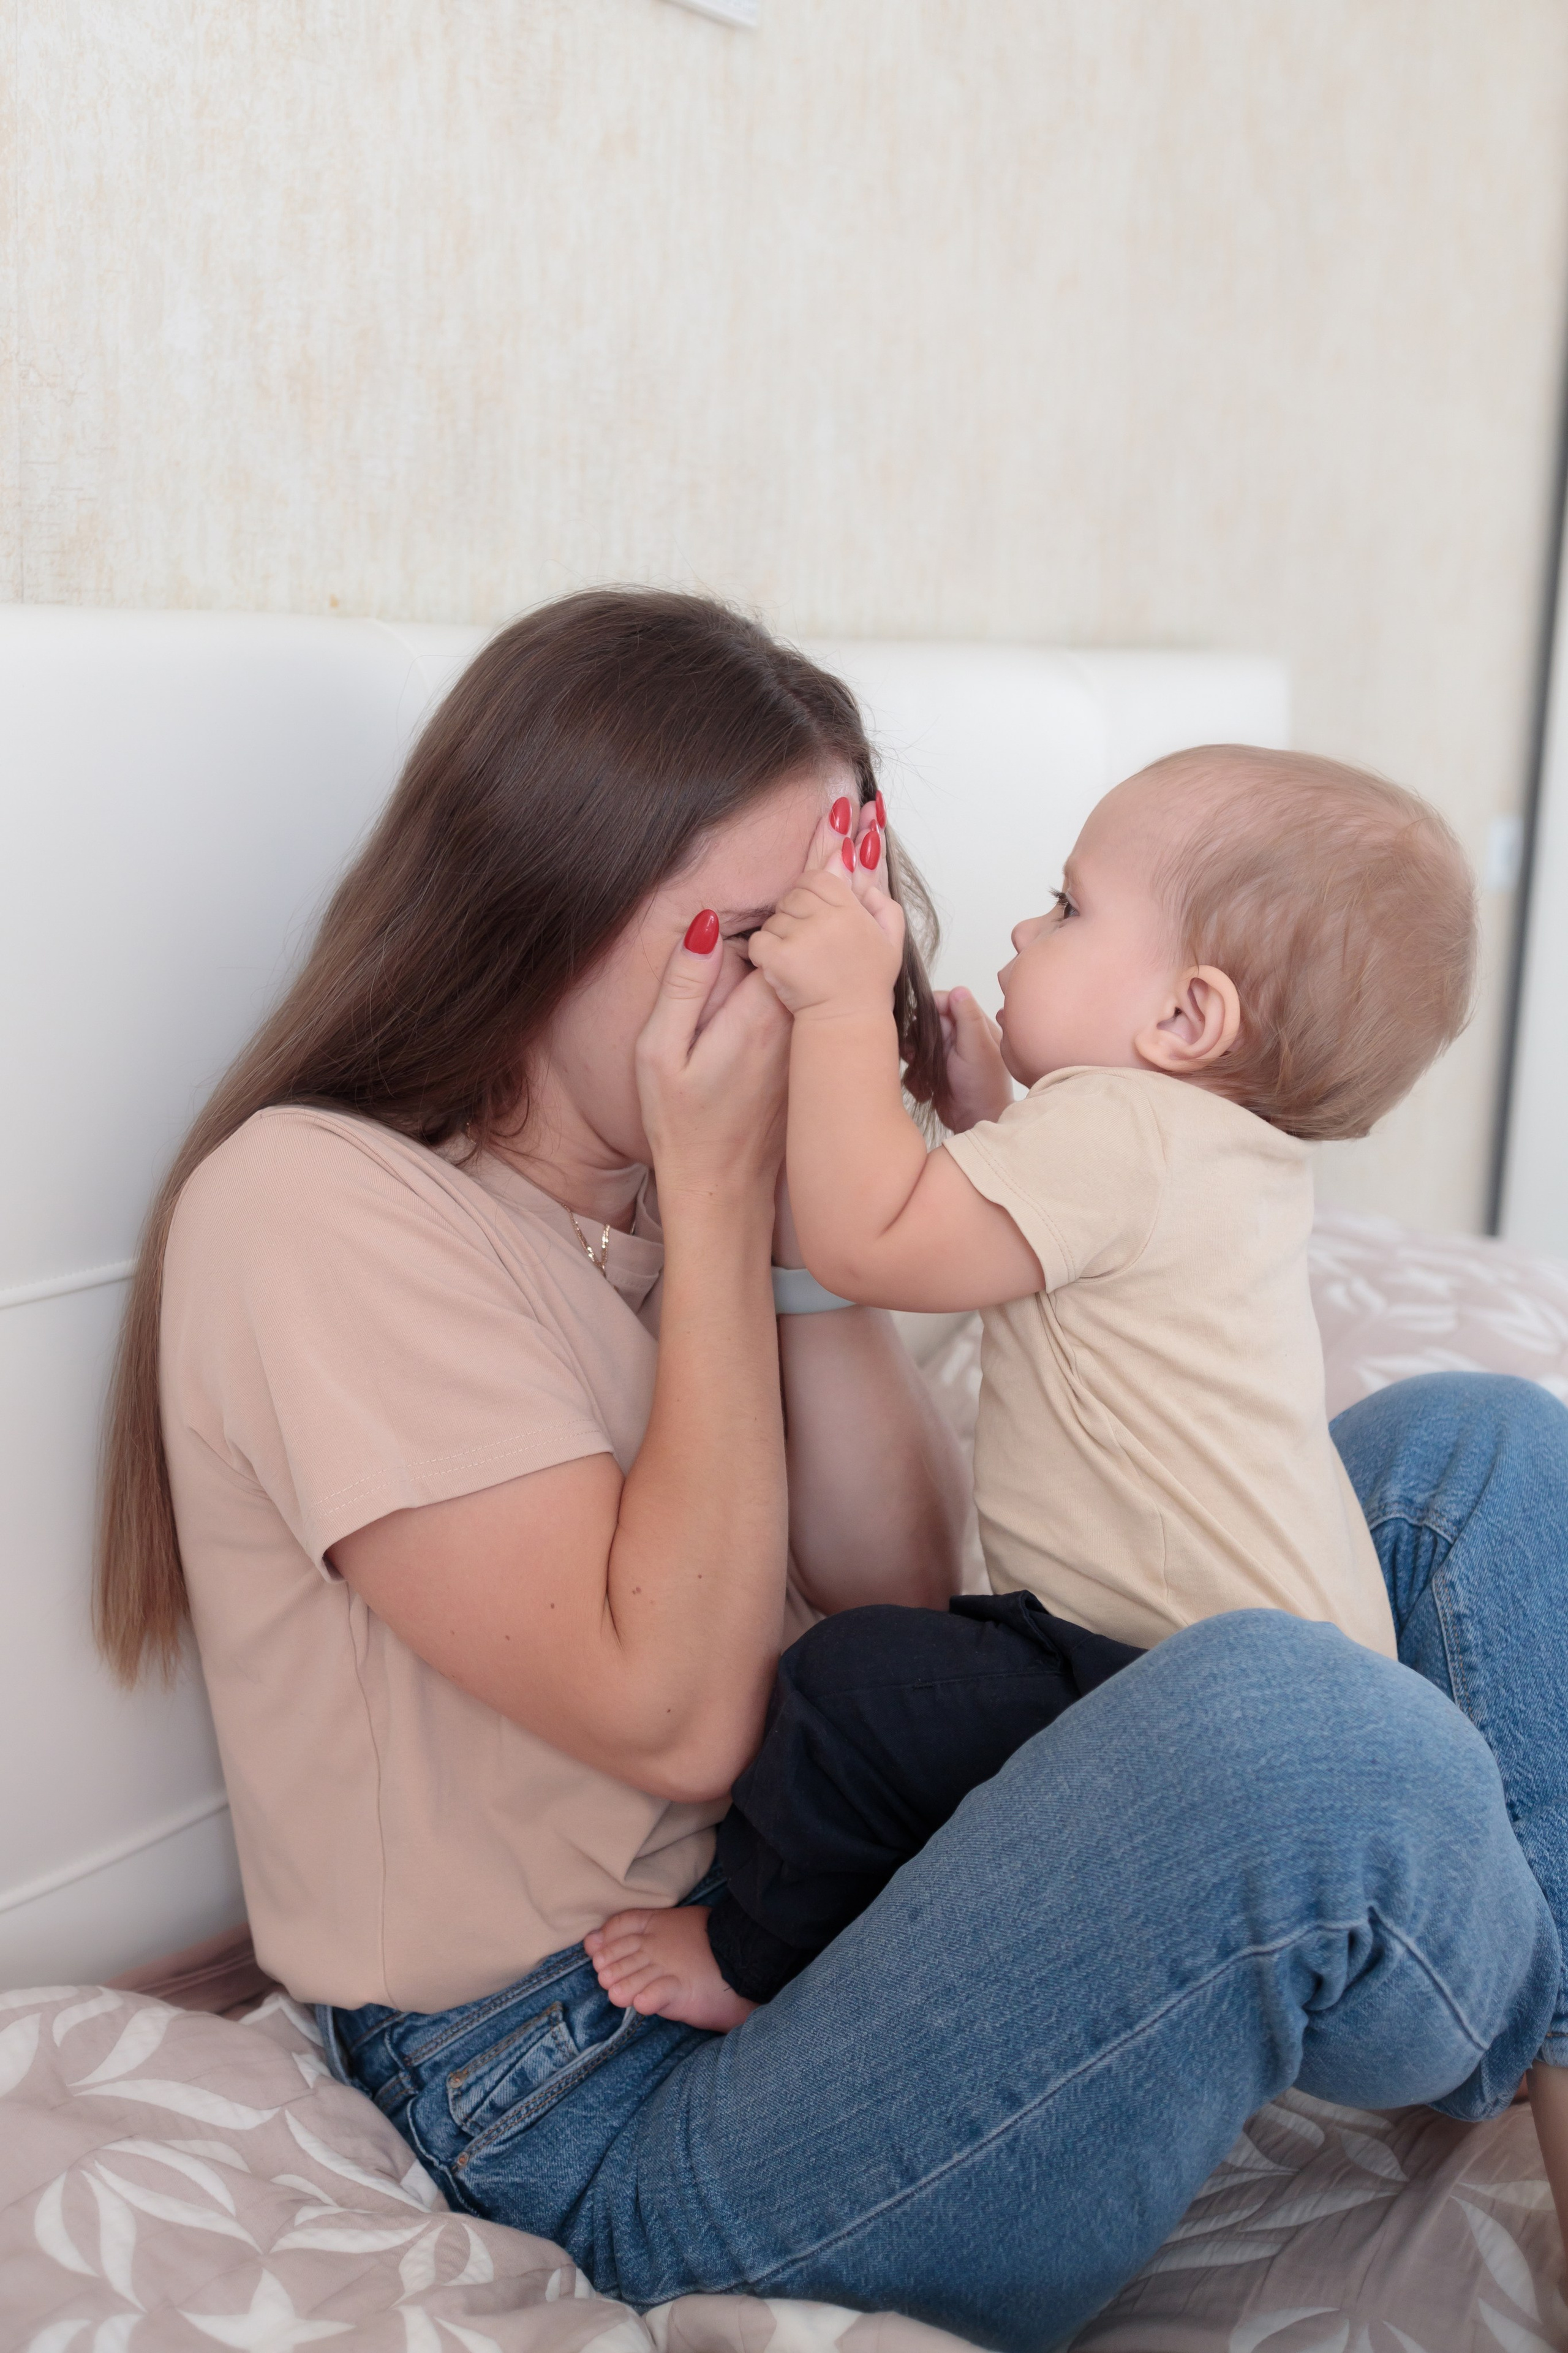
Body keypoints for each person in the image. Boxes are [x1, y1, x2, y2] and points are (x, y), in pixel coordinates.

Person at [95, 590, 1568, 2353]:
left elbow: (902, 1601)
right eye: (764, 925)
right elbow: (684, 1713)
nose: (812, 975)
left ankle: (1510, 1987)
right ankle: (1507, 1982)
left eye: (844, 914)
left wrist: (792, 1222)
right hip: (597, 2102)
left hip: (849, 1909)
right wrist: (722, 1211)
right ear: (545, 900)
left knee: (1467, 1461)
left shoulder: (679, 1195)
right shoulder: (317, 1205)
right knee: (1300, 1722)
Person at [589, 747, 1474, 2023]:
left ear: (1184, 1018)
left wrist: (841, 1010)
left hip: (1160, 1692)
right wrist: (994, 1114)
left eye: (1067, 907)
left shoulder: (1117, 1137)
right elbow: (1062, 1265)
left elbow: (865, 1237)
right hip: (1268, 1705)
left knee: (849, 1691)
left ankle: (754, 1954)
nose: (1020, 923)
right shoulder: (1207, 1151)